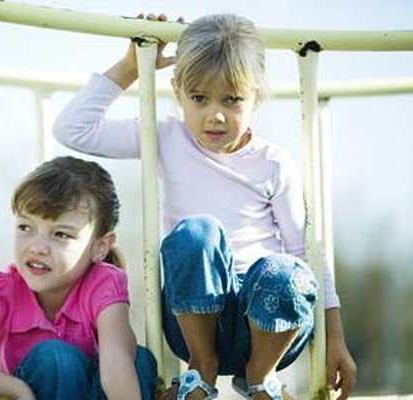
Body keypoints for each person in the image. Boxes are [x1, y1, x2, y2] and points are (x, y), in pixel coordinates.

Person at [53, 13, 357, 400]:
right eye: (199, 98)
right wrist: (132, 66)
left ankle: (261, 379)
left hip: (266, 324)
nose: (215, 114)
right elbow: (73, 129)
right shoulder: (164, 136)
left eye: (232, 100)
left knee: (287, 271)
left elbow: (306, 252)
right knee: (196, 233)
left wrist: (335, 339)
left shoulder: (273, 163)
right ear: (178, 92)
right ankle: (201, 371)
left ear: (256, 97)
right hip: (192, 320)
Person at [0, 156, 158, 400]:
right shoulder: (4, 290)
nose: (37, 247)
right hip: (35, 390)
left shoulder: (104, 283)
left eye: (60, 234)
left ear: (100, 247)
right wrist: (14, 388)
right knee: (55, 359)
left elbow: (116, 363)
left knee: (139, 361)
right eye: (25, 227)